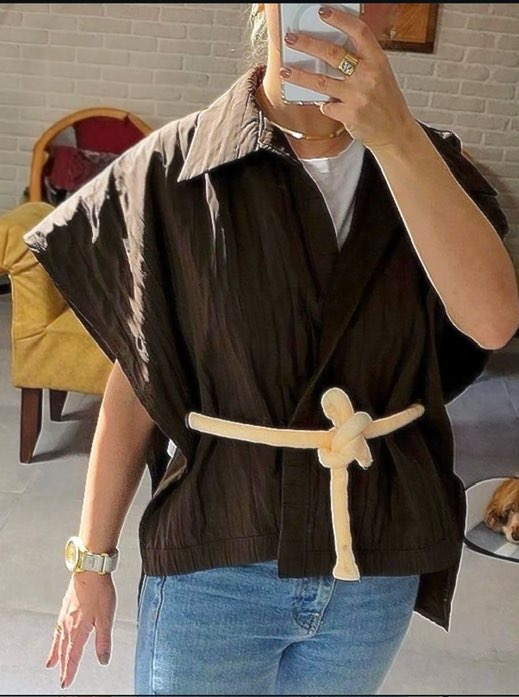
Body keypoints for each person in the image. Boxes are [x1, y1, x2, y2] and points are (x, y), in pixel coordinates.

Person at [23, 4, 518, 696]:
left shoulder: (434, 168)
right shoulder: (170, 173)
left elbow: (492, 324)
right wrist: (90, 563)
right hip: (217, 555)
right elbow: (136, 380)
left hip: (374, 555)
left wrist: (399, 139)